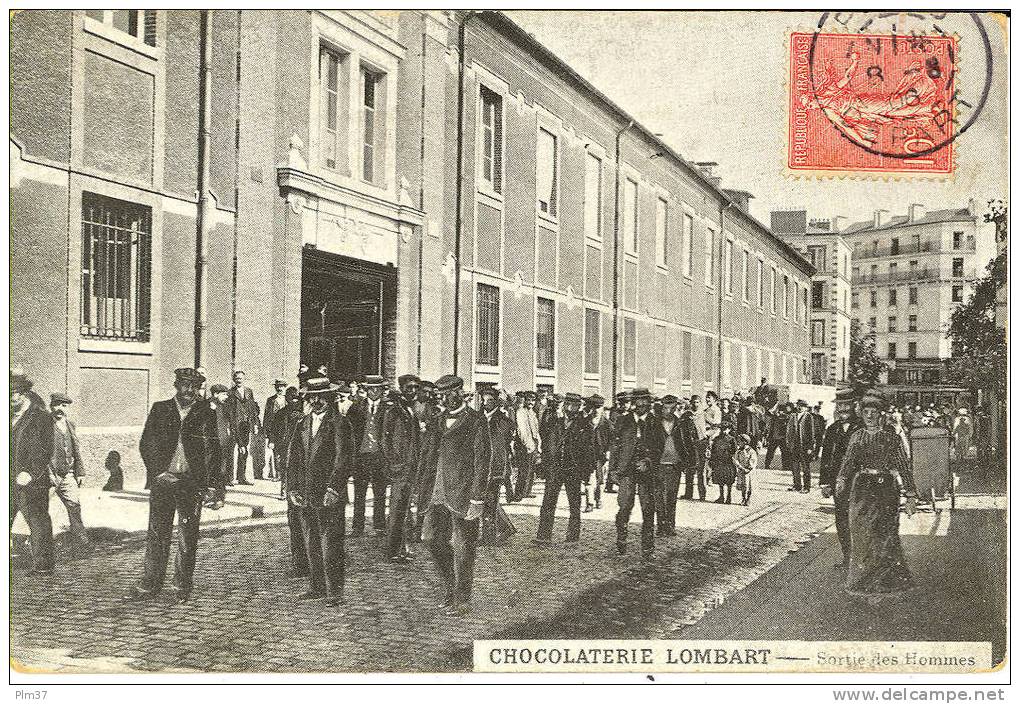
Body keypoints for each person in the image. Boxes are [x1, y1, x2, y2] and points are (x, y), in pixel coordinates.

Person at [131, 368, 220, 602]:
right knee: (157, 533)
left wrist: (213, 487)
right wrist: (158, 472)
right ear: (176, 385)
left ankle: (182, 585)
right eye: (185, 385)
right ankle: (151, 582)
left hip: (191, 484)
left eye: (194, 386)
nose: (189, 391)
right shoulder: (161, 409)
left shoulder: (206, 413)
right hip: (163, 481)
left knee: (187, 537)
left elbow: (214, 451)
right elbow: (146, 443)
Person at [836, 389, 918, 598]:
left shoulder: (892, 438)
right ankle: (862, 581)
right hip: (862, 488)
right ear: (861, 414)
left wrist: (910, 495)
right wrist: (841, 479)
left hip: (885, 489)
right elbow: (848, 462)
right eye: (866, 412)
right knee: (862, 535)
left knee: (885, 534)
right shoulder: (856, 436)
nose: (870, 416)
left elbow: (903, 466)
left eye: (874, 412)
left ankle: (887, 581)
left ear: (882, 414)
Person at [418, 375, 488, 615]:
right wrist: (420, 492)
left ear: (460, 392)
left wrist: (478, 499)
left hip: (462, 494)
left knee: (463, 547)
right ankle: (450, 587)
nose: (444, 399)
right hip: (435, 493)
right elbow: (425, 458)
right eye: (440, 395)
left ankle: (463, 599)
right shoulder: (436, 420)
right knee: (431, 540)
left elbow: (482, 462)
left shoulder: (476, 420)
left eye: (448, 394)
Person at [287, 376, 352, 607]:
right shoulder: (301, 424)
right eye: (312, 397)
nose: (316, 401)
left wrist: (334, 488)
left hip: (328, 494)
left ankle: (334, 591)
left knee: (331, 544)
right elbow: (293, 459)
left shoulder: (340, 424)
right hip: (305, 493)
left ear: (330, 398)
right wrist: (292, 488)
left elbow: (343, 460)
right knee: (311, 542)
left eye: (321, 397)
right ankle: (316, 587)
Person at [536, 393, 595, 545]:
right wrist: (544, 464)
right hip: (555, 469)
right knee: (548, 503)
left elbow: (589, 451)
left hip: (573, 470)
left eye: (574, 405)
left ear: (578, 407)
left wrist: (586, 471)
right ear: (564, 406)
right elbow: (547, 445)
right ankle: (543, 535)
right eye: (568, 404)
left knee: (574, 504)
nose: (570, 408)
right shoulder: (555, 423)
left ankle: (572, 537)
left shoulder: (584, 426)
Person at [11, 371, 55, 574]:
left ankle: (43, 565)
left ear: (24, 393)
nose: (11, 398)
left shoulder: (41, 417)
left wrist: (30, 472)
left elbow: (46, 449)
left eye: (14, 393)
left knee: (38, 522)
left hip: (31, 481)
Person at [819, 385, 864, 572]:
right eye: (840, 406)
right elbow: (826, 457)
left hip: (861, 483)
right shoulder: (832, 429)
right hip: (839, 484)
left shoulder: (863, 428)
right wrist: (825, 483)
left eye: (847, 406)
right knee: (842, 520)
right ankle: (848, 558)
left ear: (855, 406)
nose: (843, 410)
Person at [611, 388, 657, 558]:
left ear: (649, 403)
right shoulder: (623, 421)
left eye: (644, 401)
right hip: (626, 470)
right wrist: (613, 471)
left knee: (648, 508)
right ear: (633, 403)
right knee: (624, 505)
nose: (641, 405)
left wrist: (648, 461)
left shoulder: (655, 422)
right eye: (638, 401)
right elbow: (615, 447)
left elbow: (659, 448)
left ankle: (647, 547)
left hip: (647, 473)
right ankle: (621, 539)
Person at [382, 374, 422, 562]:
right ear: (402, 389)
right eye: (409, 388)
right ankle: (393, 550)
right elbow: (386, 441)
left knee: (405, 509)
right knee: (397, 509)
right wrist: (394, 463)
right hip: (401, 468)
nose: (412, 391)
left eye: (415, 388)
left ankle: (402, 547)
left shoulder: (413, 409)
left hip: (412, 466)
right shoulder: (394, 412)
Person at [272, 386, 309, 577]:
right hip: (292, 473)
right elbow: (276, 433)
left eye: (298, 398)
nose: (295, 401)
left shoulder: (309, 419)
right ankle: (300, 562)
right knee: (295, 520)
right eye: (292, 398)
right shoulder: (284, 415)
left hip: (310, 479)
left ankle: (310, 561)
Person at [347, 375, 390, 536]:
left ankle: (379, 526)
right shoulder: (356, 407)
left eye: (377, 389)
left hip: (380, 457)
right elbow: (349, 432)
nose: (374, 392)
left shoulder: (388, 409)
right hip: (361, 457)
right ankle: (357, 527)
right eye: (371, 389)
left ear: (381, 390)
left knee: (380, 492)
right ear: (366, 390)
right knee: (360, 493)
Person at [47, 392, 90, 553]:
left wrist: (80, 471)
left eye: (63, 406)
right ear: (51, 406)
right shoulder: (44, 424)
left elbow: (76, 449)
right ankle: (21, 540)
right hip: (49, 475)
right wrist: (47, 473)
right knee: (38, 508)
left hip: (68, 474)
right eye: (57, 405)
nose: (60, 409)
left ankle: (81, 540)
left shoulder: (70, 424)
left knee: (74, 506)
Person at [477, 386, 516, 546]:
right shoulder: (478, 419)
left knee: (490, 501)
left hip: (496, 467)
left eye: (490, 400)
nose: (486, 403)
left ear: (496, 402)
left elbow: (503, 445)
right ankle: (505, 527)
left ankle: (489, 537)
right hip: (479, 466)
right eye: (484, 400)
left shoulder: (503, 422)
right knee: (485, 499)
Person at [647, 394, 689, 536]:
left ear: (676, 408)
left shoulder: (680, 424)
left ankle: (670, 526)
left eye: (672, 408)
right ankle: (660, 525)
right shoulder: (654, 424)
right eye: (666, 408)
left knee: (671, 497)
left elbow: (687, 443)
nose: (669, 411)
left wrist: (686, 462)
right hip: (659, 465)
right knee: (658, 497)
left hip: (674, 466)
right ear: (662, 408)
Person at [226, 370, 262, 485]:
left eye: (240, 378)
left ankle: (241, 477)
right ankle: (229, 478)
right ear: (234, 380)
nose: (239, 380)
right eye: (236, 378)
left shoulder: (248, 391)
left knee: (244, 451)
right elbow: (228, 411)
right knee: (231, 451)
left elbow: (253, 408)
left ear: (244, 379)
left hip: (245, 425)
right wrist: (229, 425)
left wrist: (255, 423)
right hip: (234, 425)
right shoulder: (230, 392)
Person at [205, 384, 234, 510]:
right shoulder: (205, 405)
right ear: (215, 394)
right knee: (208, 471)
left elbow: (231, 422)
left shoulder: (225, 406)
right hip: (208, 445)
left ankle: (220, 498)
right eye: (224, 394)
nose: (226, 397)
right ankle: (210, 496)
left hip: (222, 445)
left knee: (221, 472)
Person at [513, 391, 541, 501]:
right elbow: (522, 431)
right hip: (524, 445)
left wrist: (538, 445)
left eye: (533, 400)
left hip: (533, 443)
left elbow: (536, 430)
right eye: (528, 400)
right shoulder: (521, 412)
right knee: (523, 470)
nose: (531, 402)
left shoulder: (532, 413)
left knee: (531, 470)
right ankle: (518, 494)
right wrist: (528, 445)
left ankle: (526, 491)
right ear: (525, 400)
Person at [584, 394, 611, 511]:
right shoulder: (585, 422)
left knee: (600, 480)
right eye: (594, 407)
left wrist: (609, 452)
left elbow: (612, 440)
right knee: (589, 480)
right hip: (588, 455)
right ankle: (589, 503)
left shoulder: (607, 424)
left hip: (602, 456)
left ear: (602, 408)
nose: (596, 410)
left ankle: (598, 499)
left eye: (599, 407)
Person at [785, 400, 817, 493]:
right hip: (794, 446)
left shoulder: (808, 416)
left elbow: (811, 432)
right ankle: (797, 485)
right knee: (795, 467)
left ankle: (807, 487)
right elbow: (789, 430)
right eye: (799, 406)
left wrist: (810, 447)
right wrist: (789, 443)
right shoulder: (793, 416)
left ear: (806, 408)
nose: (800, 407)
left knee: (805, 467)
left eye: (802, 406)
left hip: (804, 446)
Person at [680, 394, 708, 501]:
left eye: (697, 402)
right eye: (694, 402)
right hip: (689, 445)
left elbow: (715, 426)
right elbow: (680, 426)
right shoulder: (686, 415)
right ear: (691, 403)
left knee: (701, 471)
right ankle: (688, 494)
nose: (695, 404)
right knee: (689, 470)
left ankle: (702, 495)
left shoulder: (704, 414)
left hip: (701, 444)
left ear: (700, 403)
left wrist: (707, 435)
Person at [604, 391, 631, 494]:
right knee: (613, 463)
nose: (625, 406)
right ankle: (609, 484)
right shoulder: (615, 414)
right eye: (623, 403)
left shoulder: (631, 414)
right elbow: (612, 428)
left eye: (627, 403)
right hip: (616, 442)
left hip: (627, 443)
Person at [263, 378, 289, 480]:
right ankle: (278, 474)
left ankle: (285, 475)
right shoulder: (271, 400)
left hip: (286, 429)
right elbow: (267, 416)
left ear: (285, 387)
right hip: (274, 430)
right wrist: (266, 431)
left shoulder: (288, 399)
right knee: (276, 453)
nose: (280, 388)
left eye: (282, 386)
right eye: (278, 386)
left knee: (286, 453)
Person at [709, 421, 737, 504]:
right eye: (722, 429)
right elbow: (713, 450)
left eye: (726, 429)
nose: (724, 431)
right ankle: (721, 496)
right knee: (720, 480)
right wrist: (712, 460)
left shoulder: (732, 439)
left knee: (729, 481)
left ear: (729, 429)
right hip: (719, 462)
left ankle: (729, 497)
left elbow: (734, 450)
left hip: (728, 462)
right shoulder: (717, 439)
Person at [733, 433, 757, 506]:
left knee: (749, 485)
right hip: (741, 470)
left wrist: (748, 468)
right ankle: (743, 498)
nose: (738, 443)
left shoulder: (751, 451)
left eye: (739, 441)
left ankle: (748, 498)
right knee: (743, 485)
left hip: (748, 472)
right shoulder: (739, 451)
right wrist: (738, 465)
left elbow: (753, 460)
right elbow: (735, 459)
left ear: (745, 442)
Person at [764, 402, 790, 470]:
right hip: (774, 437)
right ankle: (767, 465)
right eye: (779, 410)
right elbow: (768, 412)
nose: (780, 412)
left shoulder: (786, 417)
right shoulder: (775, 416)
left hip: (782, 438)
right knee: (771, 452)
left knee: (784, 453)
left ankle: (785, 466)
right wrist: (775, 406)